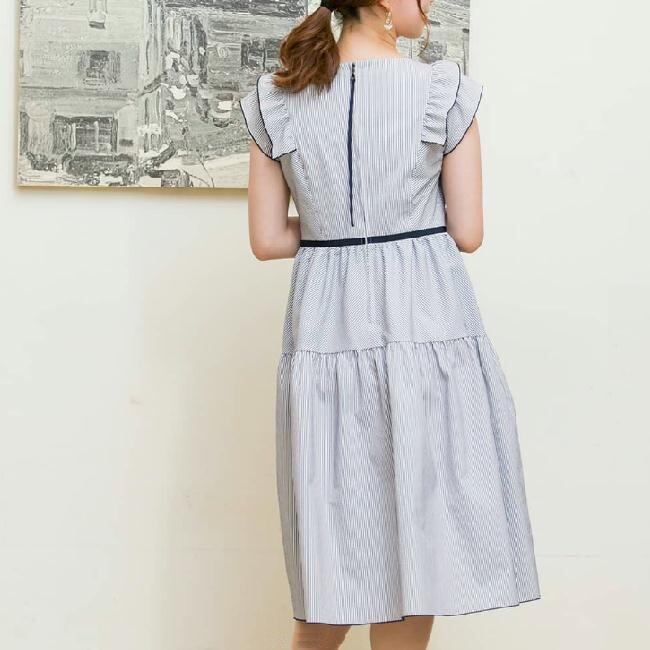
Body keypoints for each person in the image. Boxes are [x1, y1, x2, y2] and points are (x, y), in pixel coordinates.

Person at [239, 1, 541, 648]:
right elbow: (468, 232)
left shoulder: (276, 98)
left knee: (333, 545)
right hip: (424, 325)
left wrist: (336, 229)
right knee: (415, 548)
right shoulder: (443, 92)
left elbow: (267, 240)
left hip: (324, 328)